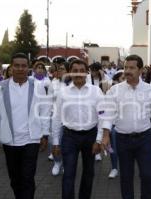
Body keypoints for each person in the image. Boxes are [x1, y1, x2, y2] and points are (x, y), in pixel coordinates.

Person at [0, 53, 51, 199]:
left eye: (24, 66)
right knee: (15, 180)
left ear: (28, 68)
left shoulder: (37, 86)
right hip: (10, 141)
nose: (20, 69)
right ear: (11, 67)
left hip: (31, 140)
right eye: (17, 65)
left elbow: (44, 110)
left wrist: (45, 134)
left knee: (28, 179)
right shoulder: (1, 88)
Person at [102, 55, 151, 199]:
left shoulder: (149, 89)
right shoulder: (115, 90)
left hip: (144, 139)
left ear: (141, 70)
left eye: (131, 68)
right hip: (122, 139)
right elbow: (108, 114)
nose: (127, 71)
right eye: (125, 67)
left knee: (147, 176)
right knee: (126, 177)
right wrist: (105, 136)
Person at [52, 59, 105, 199]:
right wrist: (56, 142)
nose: (78, 73)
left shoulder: (96, 91)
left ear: (86, 72)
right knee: (68, 173)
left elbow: (102, 117)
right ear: (70, 72)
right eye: (75, 70)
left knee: (89, 173)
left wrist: (99, 140)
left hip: (91, 136)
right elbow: (57, 118)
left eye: (81, 70)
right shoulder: (63, 93)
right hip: (69, 137)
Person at [49, 63, 70, 176]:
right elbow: (48, 99)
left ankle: (66, 164)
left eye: (63, 69)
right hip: (56, 115)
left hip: (69, 119)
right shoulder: (54, 83)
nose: (60, 71)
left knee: (67, 144)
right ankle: (57, 162)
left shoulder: (73, 84)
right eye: (59, 69)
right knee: (54, 140)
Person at [107, 70, 125, 179]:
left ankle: (124, 168)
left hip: (126, 126)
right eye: (122, 78)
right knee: (113, 148)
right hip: (113, 125)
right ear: (117, 80)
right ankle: (114, 168)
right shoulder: (111, 92)